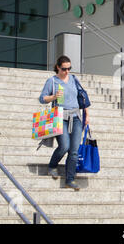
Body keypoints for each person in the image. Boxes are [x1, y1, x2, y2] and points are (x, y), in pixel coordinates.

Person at [39, 55, 89, 191]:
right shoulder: (52, 81)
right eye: (64, 69)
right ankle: (52, 165)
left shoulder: (73, 79)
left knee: (74, 151)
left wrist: (86, 114)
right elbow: (42, 98)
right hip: (60, 116)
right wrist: (54, 97)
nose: (67, 71)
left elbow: (82, 97)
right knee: (65, 146)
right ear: (57, 67)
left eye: (69, 68)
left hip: (76, 116)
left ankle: (70, 179)